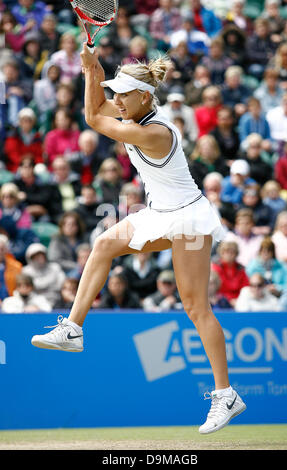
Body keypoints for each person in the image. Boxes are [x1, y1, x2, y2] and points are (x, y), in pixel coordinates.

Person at [31, 46, 246, 434]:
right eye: (116, 93)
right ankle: (73, 329)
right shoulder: (135, 112)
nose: (116, 100)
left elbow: (93, 115)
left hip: (189, 220)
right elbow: (99, 104)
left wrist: (89, 72)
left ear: (144, 97)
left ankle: (226, 394)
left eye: (123, 94)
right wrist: (91, 69)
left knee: (196, 308)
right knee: (103, 245)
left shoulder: (153, 131)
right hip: (159, 214)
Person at [22, 242, 66, 308]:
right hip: (34, 301)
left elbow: (61, 284)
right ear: (30, 258)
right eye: (35, 256)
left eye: (41, 255)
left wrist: (39, 287)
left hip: (55, 299)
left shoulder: (55, 267)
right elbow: (26, 289)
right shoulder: (26, 271)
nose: (39, 258)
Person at [211, 240, 249, 307]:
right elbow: (216, 288)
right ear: (221, 253)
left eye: (232, 252)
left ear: (236, 254)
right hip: (220, 301)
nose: (229, 255)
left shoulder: (241, 268)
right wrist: (229, 299)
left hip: (239, 301)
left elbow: (245, 287)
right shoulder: (216, 267)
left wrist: (239, 300)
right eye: (226, 252)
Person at [0, 234, 23, 304]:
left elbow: (21, 286)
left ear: (6, 250)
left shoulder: (17, 266)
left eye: (2, 249)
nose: (0, 252)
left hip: (13, 302)